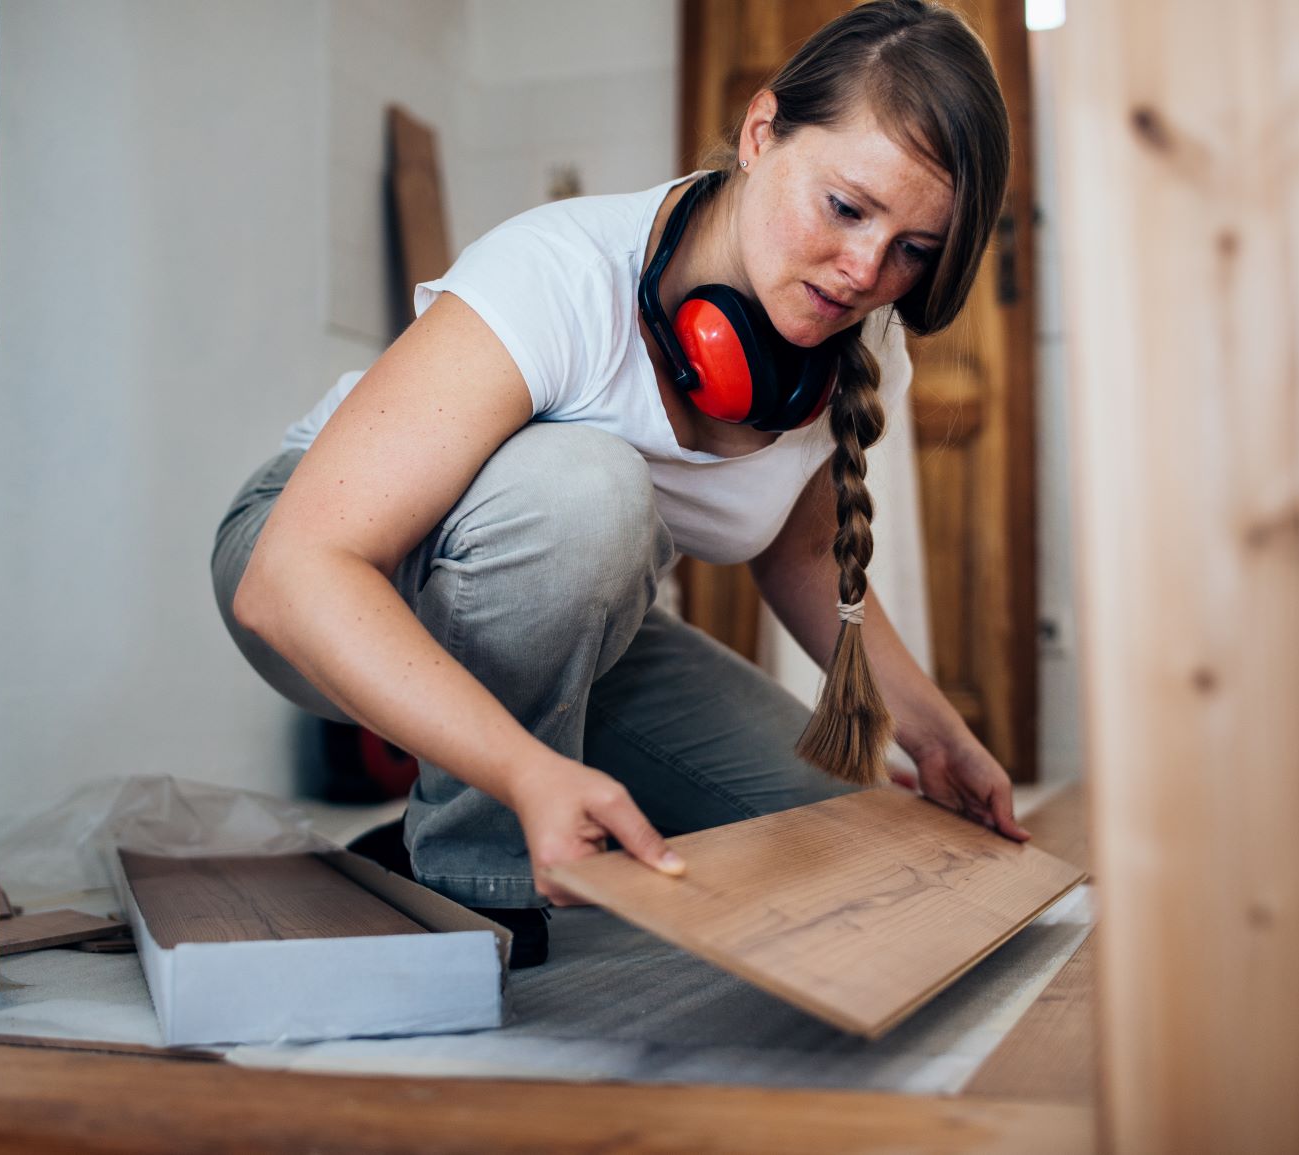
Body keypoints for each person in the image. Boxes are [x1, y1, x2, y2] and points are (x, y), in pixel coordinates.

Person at [214, 0, 1029, 968]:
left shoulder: (845, 348)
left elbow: (802, 548)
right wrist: (523, 772)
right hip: (320, 559)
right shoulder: (557, 277)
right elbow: (294, 574)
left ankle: (414, 838)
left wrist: (936, 730)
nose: (863, 270)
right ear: (762, 133)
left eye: (912, 249)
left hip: (570, 625)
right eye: (846, 208)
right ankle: (471, 873)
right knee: (592, 491)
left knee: (841, 834)